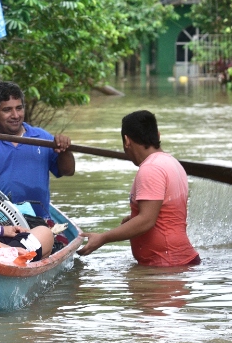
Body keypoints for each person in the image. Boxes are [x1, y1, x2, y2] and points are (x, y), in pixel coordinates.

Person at [76, 110, 200, 266]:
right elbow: (166, 212)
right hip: (176, 261)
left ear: (127, 140)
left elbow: (147, 220)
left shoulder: (151, 168)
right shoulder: (172, 163)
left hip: (166, 265)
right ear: (158, 135)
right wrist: (134, 217)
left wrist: (103, 237)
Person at [0, 81, 74, 224]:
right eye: (7, 110)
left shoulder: (42, 137)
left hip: (40, 220)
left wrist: (64, 150)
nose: (15, 115)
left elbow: (68, 170)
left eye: (19, 108)